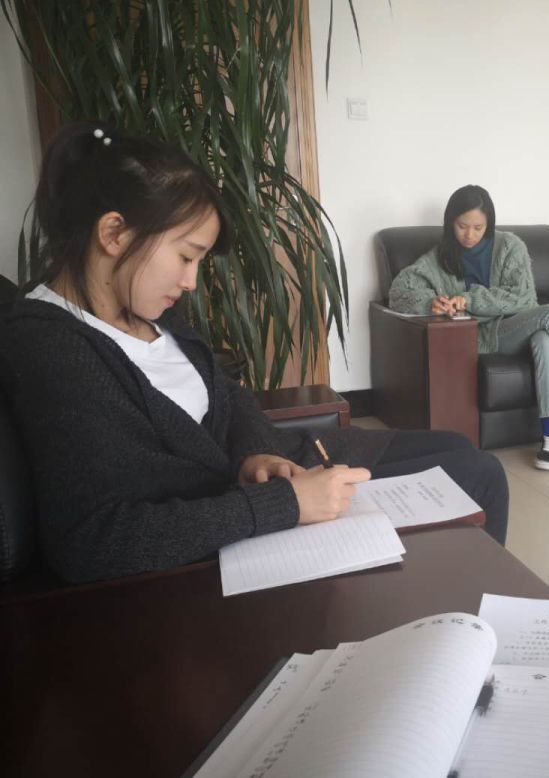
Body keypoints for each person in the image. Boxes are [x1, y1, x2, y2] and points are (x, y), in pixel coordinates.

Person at [0, 123, 509, 584]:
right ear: (114, 233)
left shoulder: (142, 306)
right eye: (185, 256)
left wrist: (258, 456)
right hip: (238, 527)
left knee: (459, 449)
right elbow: (94, 540)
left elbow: (227, 395)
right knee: (479, 475)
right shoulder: (51, 346)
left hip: (274, 473)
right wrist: (283, 505)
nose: (191, 281)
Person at [388, 184, 549, 471]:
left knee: (544, 337)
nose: (469, 235)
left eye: (478, 227)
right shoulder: (437, 258)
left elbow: (524, 298)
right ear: (450, 223)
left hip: (516, 327)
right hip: (479, 337)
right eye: (462, 226)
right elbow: (398, 293)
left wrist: (468, 299)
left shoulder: (509, 246)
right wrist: (431, 302)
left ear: (489, 224)